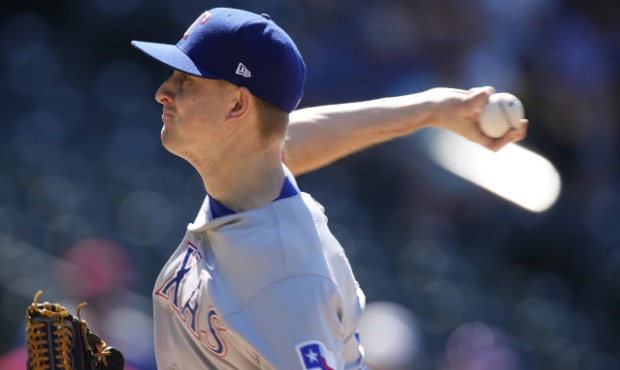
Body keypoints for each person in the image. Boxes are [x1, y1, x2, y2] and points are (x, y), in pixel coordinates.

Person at [131, 7, 527, 370]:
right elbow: (285, 139)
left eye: (185, 80)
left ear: (237, 106)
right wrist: (431, 110)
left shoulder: (286, 281)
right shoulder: (250, 181)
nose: (163, 91)